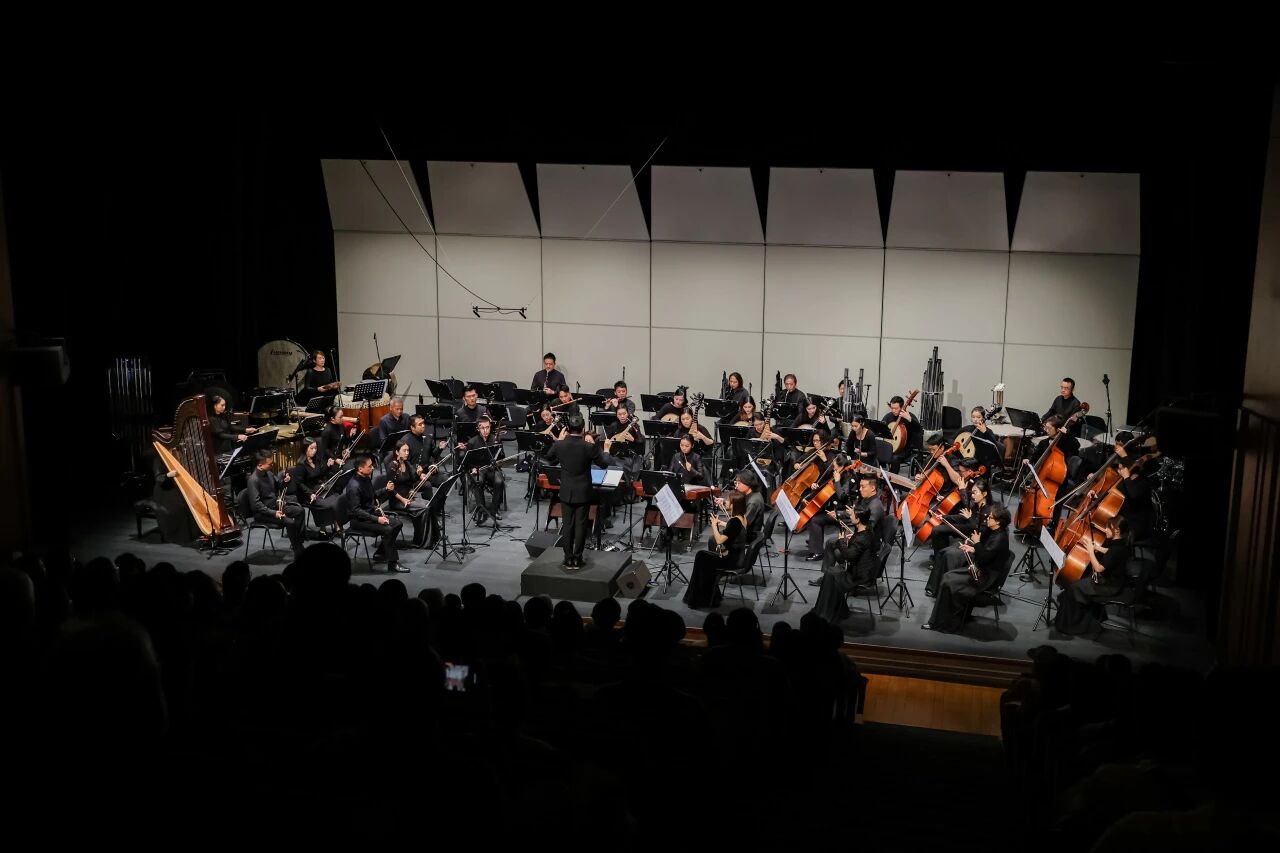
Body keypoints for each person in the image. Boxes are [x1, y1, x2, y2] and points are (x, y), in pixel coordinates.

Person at [922, 506, 1011, 632]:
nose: (987, 519)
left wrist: (977, 543)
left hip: (984, 577)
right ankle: (944, 619)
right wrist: (973, 548)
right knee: (948, 576)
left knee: (949, 581)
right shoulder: (996, 532)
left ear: (998, 522)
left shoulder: (999, 538)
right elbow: (988, 553)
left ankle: (944, 623)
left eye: (990, 517)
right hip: (981, 569)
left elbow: (984, 558)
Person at [545, 414, 614, 569]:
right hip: (583, 490)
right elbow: (603, 464)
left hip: (566, 490)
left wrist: (558, 440)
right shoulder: (588, 446)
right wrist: (606, 450)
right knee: (581, 524)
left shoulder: (560, 445)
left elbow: (549, 458)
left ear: (567, 429)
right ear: (583, 429)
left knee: (567, 524)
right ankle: (577, 558)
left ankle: (568, 558)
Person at [1054, 517, 1131, 636]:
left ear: (1117, 531)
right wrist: (1097, 548)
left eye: (1108, 528)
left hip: (1108, 586)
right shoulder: (1122, 543)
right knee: (1077, 584)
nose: (1105, 530)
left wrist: (1091, 551)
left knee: (1073, 588)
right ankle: (1080, 618)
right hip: (1111, 581)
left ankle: (1072, 626)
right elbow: (1110, 552)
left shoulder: (1117, 549)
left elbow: (1099, 568)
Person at [811, 505, 879, 625]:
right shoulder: (868, 529)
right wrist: (851, 539)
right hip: (861, 569)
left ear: (858, 519)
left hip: (858, 576)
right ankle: (836, 610)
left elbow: (848, 556)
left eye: (852, 515)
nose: (850, 517)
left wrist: (842, 541)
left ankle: (824, 613)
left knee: (830, 574)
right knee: (831, 572)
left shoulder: (862, 538)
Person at [682, 491, 748, 608]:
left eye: (728, 501)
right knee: (704, 557)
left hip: (730, 560)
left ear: (733, 505)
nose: (726, 502)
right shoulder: (743, 518)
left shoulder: (734, 521)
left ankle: (699, 598)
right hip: (738, 557)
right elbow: (734, 528)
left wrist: (714, 526)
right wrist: (721, 523)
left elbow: (719, 540)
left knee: (701, 556)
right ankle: (711, 596)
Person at [343, 454, 406, 573]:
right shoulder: (354, 487)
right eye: (369, 466)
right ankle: (392, 564)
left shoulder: (366, 478)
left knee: (397, 523)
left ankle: (381, 553)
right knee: (388, 529)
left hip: (369, 514)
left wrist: (386, 489)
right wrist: (377, 519)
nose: (373, 468)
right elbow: (356, 511)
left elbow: (373, 495)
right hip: (358, 521)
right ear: (360, 469)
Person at [245, 450, 303, 554]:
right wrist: (274, 513)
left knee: (300, 511)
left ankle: (297, 541)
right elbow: (256, 505)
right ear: (260, 465)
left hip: (275, 506)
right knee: (290, 522)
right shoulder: (253, 480)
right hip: (263, 513)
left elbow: (279, 486)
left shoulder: (269, 473)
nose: (272, 465)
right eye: (270, 464)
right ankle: (298, 550)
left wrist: (285, 481)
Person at [882, 395, 922, 473]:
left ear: (902, 407)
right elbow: (882, 428)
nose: (893, 410)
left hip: (905, 449)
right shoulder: (889, 416)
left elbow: (919, 430)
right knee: (875, 451)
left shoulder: (909, 416)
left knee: (895, 458)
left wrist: (909, 419)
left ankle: (892, 479)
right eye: (892, 408)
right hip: (890, 446)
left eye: (896, 408)